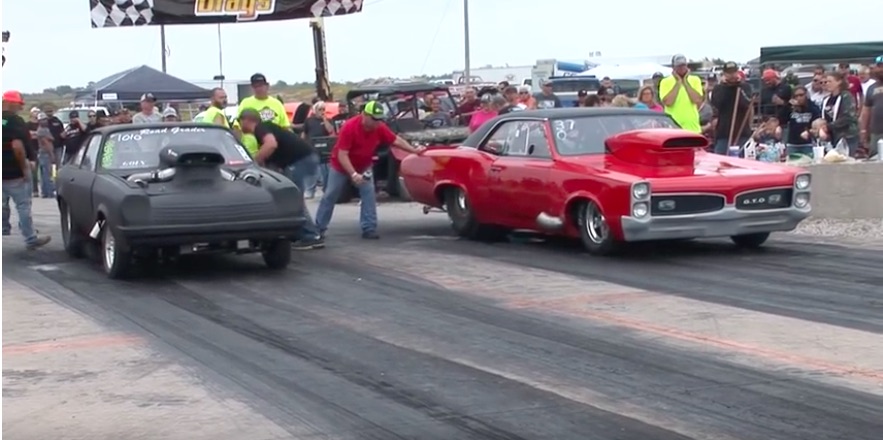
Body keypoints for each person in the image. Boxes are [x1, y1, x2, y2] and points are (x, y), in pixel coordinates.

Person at [313, 101, 425, 240]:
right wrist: (353, 174)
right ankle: (318, 229)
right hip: (341, 166)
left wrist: (413, 151)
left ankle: (369, 228)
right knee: (330, 195)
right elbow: (342, 154)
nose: (377, 122)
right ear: (364, 115)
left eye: (380, 119)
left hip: (364, 164)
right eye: (374, 119)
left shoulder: (379, 128)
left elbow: (395, 140)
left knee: (368, 193)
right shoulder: (349, 127)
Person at [239, 109, 324, 250]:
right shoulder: (267, 128)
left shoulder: (261, 127)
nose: (239, 124)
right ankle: (300, 232)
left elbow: (271, 145)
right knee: (291, 196)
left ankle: (310, 236)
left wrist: (254, 162)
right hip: (306, 158)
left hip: (300, 160)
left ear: (246, 120)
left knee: (293, 198)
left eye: (239, 121)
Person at [2, 90, 50, 248]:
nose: (20, 108)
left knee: (3, 203)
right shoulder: (15, 121)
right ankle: (30, 238)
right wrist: (24, 168)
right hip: (14, 171)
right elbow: (17, 146)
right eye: (19, 105)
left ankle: (4, 228)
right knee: (23, 205)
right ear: (11, 103)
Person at [237, 73, 290, 156]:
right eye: (256, 86)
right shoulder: (245, 103)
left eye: (261, 85)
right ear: (252, 87)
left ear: (267, 86)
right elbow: (238, 126)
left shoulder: (277, 104)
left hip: (273, 147)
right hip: (252, 149)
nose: (259, 89)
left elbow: (285, 126)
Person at [710, 62, 754, 154]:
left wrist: (737, 86)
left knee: (742, 163)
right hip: (724, 133)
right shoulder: (718, 88)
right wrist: (726, 87)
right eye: (729, 73)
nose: (732, 75)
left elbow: (746, 103)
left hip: (742, 132)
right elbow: (718, 103)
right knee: (721, 162)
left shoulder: (745, 87)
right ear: (724, 74)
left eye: (734, 72)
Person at [659, 54, 704, 133]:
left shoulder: (695, 80)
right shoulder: (665, 82)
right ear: (673, 67)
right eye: (679, 66)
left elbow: (697, 100)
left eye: (684, 65)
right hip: (672, 127)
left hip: (692, 127)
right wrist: (678, 83)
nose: (682, 68)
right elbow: (668, 102)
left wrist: (685, 82)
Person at [302, 101, 335, 198]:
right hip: (311, 147)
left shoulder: (328, 120)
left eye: (323, 109)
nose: (322, 111)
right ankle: (310, 191)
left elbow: (330, 130)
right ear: (315, 110)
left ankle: (326, 190)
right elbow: (304, 133)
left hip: (324, 148)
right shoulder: (309, 120)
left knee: (325, 171)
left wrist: (324, 119)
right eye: (320, 109)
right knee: (311, 171)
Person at [822, 71, 860, 157]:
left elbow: (848, 117)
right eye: (825, 82)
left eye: (829, 81)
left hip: (847, 136)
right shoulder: (826, 100)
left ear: (839, 82)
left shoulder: (846, 96)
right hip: (832, 137)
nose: (827, 84)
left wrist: (828, 126)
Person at [786, 86, 822, 157]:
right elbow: (782, 119)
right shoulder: (790, 108)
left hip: (808, 143)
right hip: (793, 143)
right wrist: (789, 106)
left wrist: (803, 107)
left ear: (806, 95)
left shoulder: (813, 107)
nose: (799, 98)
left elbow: (817, 121)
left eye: (801, 95)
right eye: (796, 96)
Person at [860, 55, 883, 159]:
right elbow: (866, 111)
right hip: (876, 133)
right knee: (875, 160)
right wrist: (863, 130)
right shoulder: (871, 88)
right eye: (879, 66)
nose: (880, 69)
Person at [34, 113, 57, 198]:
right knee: (47, 174)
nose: (45, 121)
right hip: (45, 153)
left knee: (44, 174)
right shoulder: (43, 130)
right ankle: (49, 192)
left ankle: (44, 192)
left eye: (45, 119)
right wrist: (51, 154)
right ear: (39, 121)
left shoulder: (43, 129)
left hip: (42, 153)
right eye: (43, 120)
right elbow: (47, 143)